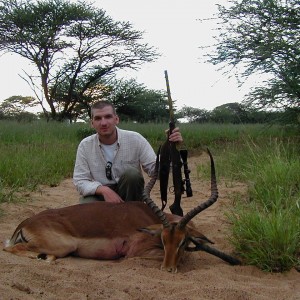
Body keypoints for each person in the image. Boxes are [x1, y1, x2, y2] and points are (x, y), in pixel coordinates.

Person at [73, 100, 183, 204]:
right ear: (92, 123)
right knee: (86, 204)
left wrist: (171, 150)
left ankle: (134, 219)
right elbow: (80, 180)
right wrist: (104, 190)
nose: (103, 123)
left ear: (116, 119)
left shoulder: (135, 139)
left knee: (132, 175)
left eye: (108, 117)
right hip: (101, 194)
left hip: (130, 193)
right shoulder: (85, 145)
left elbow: (156, 171)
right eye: (98, 118)